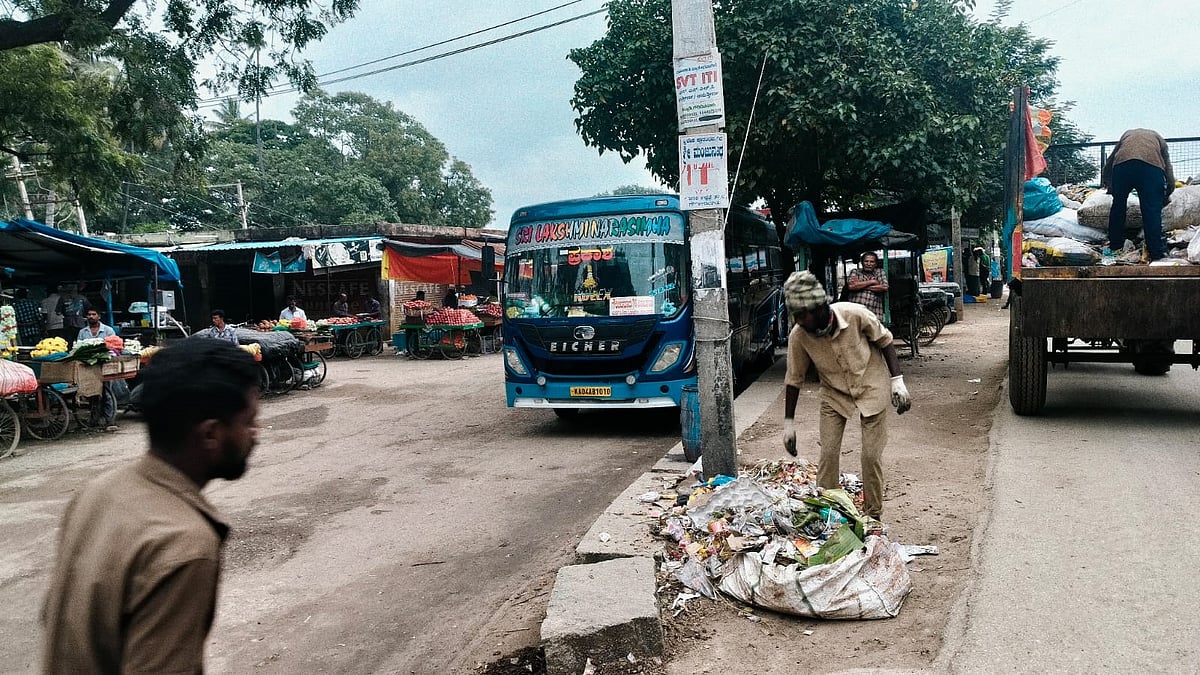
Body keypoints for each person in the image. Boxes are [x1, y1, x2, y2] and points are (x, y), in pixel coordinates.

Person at [41, 339, 260, 673]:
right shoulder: (183, 543)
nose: (255, 434)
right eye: (249, 422)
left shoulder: (97, 492)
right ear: (210, 435)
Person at [780, 271, 911, 521]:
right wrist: (788, 424)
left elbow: (885, 340)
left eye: (802, 314)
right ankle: (828, 513)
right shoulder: (799, 336)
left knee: (870, 456)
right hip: (834, 395)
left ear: (819, 308)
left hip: (871, 387)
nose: (798, 320)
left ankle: (873, 515)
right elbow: (793, 379)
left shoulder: (855, 314)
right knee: (828, 454)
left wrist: (897, 381)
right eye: (795, 315)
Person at [1102, 128, 1175, 261]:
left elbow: (1111, 159)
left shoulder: (1127, 134)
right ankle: (1156, 252)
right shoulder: (1159, 139)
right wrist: (1168, 190)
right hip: (1151, 168)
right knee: (1151, 210)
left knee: (1118, 206)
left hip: (1122, 167)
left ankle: (1115, 245)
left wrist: (1109, 183)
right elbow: (1167, 167)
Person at [77, 309, 119, 430]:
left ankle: (109, 420)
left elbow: (115, 347)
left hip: (105, 366)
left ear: (99, 316)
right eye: (89, 315)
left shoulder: (108, 330)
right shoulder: (82, 332)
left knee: (107, 393)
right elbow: (79, 348)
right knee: (92, 394)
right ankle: (94, 419)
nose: (91, 317)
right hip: (89, 367)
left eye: (94, 314)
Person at [844, 252, 889, 320]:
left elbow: (884, 287)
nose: (868, 264)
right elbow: (851, 286)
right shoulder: (855, 272)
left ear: (876, 264)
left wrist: (860, 285)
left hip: (874, 314)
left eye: (872, 262)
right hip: (856, 313)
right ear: (862, 262)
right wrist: (873, 282)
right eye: (866, 261)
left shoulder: (880, 272)